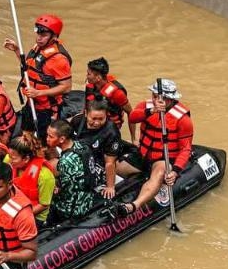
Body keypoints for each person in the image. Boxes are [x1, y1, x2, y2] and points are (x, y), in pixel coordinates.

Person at [117, 79, 194, 216]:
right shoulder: (146, 106)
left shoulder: (183, 119)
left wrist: (175, 171)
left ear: (169, 99)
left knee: (159, 173)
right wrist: (151, 111)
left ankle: (134, 205)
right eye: (154, 96)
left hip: (164, 157)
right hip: (143, 153)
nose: (155, 100)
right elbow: (133, 117)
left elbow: (185, 149)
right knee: (117, 167)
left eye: (160, 98)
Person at [3, 14, 72, 140]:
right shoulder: (38, 48)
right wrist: (17, 51)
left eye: (44, 35)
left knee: (45, 142)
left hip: (47, 109)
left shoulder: (59, 59)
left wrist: (39, 93)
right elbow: (29, 68)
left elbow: (66, 87)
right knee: (26, 134)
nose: (39, 38)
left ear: (54, 36)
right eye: (38, 34)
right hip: (32, 103)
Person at [69, 99, 122, 200]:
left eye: (101, 119)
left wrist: (110, 186)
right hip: (78, 156)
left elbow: (110, 162)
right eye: (93, 118)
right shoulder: (77, 121)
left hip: (97, 164)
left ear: (106, 115)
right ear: (86, 114)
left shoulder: (111, 132)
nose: (97, 123)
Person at [46, 119, 95, 225]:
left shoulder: (65, 162)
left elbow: (64, 191)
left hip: (73, 209)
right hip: (88, 198)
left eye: (50, 137)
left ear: (62, 139)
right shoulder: (81, 145)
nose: (47, 139)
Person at [4, 132, 55, 223]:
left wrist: (19, 216)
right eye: (9, 156)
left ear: (26, 159)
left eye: (13, 158)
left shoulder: (45, 176)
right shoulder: (9, 160)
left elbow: (43, 205)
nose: (10, 160)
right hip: (12, 206)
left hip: (35, 216)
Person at [84, 57, 135, 142]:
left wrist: (134, 139)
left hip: (110, 127)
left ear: (98, 77)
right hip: (93, 122)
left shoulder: (117, 93)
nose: (87, 76)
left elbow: (131, 113)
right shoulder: (91, 86)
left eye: (89, 74)